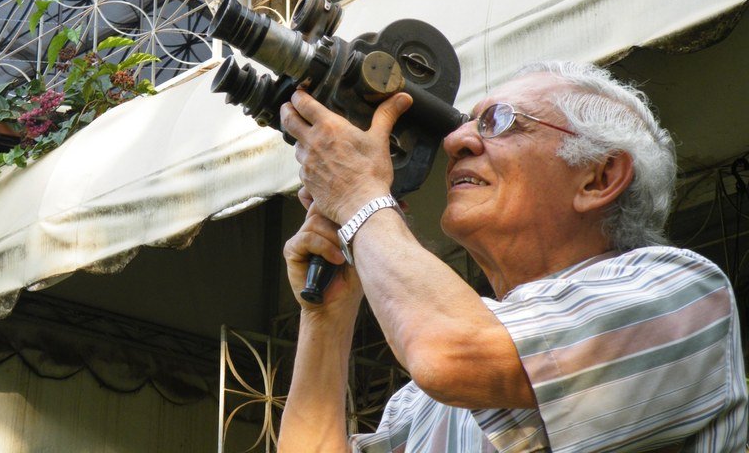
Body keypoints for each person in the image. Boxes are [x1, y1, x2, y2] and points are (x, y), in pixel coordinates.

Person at [276, 60, 747, 452]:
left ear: (599, 178)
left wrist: (361, 198)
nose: (454, 141)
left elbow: (449, 354)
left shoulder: (679, 293)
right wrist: (327, 319)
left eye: (499, 121)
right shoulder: (420, 403)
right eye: (465, 123)